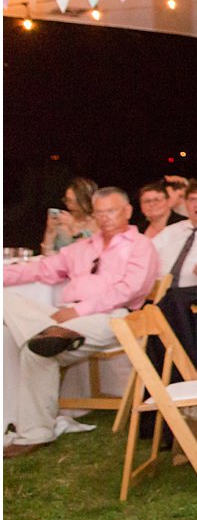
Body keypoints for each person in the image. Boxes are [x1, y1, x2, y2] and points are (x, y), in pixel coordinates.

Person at [3, 187, 159, 457]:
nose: (105, 218)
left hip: (115, 316)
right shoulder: (83, 247)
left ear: (127, 211)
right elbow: (41, 269)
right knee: (15, 312)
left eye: (111, 211)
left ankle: (51, 337)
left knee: (35, 350)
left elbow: (129, 290)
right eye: (99, 213)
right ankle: (37, 429)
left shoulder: (140, 246)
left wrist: (80, 311)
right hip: (66, 319)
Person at [40, 177, 98, 255]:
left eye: (71, 201)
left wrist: (73, 227)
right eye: (66, 200)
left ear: (85, 202)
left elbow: (88, 254)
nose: (67, 204)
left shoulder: (98, 223)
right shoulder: (62, 220)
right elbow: (46, 254)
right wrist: (50, 231)